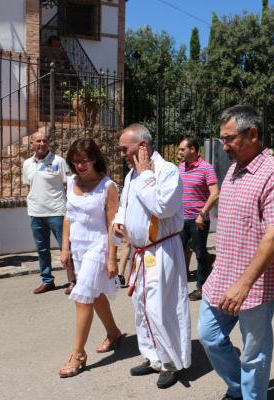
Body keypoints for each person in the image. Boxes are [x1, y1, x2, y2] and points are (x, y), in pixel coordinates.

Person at [197, 105, 274, 400]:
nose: (223, 146)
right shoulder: (234, 171)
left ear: (252, 133)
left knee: (254, 352)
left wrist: (244, 284)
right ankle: (239, 387)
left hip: (255, 284)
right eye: (221, 140)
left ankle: (252, 395)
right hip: (222, 277)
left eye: (228, 139)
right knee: (209, 335)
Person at [113, 124, 191, 389]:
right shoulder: (131, 176)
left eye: (125, 148)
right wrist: (119, 224)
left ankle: (170, 361)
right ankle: (152, 356)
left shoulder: (166, 171)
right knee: (141, 306)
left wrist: (147, 174)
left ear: (142, 147)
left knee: (161, 307)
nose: (121, 153)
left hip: (161, 250)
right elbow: (124, 206)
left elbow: (164, 207)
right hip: (141, 253)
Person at [58, 138, 123, 378]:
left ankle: (78, 354)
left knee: (83, 296)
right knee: (95, 295)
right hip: (78, 246)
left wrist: (112, 258)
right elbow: (68, 216)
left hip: (99, 246)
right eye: (75, 161)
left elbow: (113, 224)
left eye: (84, 160)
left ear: (94, 159)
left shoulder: (107, 186)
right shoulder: (72, 181)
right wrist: (64, 248)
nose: (80, 166)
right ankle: (114, 332)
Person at [22, 129, 74, 294]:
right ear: (32, 144)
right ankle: (47, 281)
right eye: (38, 141)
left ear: (48, 143)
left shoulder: (59, 161)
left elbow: (70, 185)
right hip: (36, 213)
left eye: (44, 141)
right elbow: (28, 186)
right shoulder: (27, 163)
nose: (42, 144)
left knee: (65, 248)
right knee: (42, 250)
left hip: (57, 212)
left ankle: (73, 281)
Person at [177, 136, 219, 301]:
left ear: (192, 149)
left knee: (199, 254)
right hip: (180, 219)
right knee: (178, 253)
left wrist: (202, 214)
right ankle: (177, 287)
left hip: (198, 219)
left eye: (182, 149)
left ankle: (202, 288)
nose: (179, 152)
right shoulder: (180, 168)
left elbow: (215, 193)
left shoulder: (206, 168)